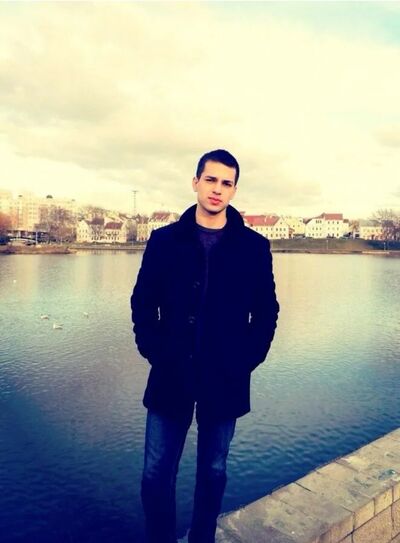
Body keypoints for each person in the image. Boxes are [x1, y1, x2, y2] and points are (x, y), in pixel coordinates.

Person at [131, 149, 279, 543]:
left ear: (234, 190)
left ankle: (202, 538)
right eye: (210, 179)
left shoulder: (253, 247)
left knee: (213, 471)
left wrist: (245, 360)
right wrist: (155, 351)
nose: (217, 189)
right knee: (155, 474)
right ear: (195, 182)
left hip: (225, 377)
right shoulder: (164, 241)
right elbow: (143, 303)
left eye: (226, 183)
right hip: (171, 374)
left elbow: (266, 313)